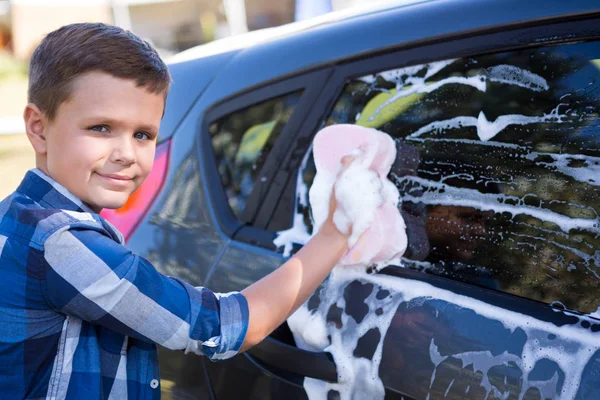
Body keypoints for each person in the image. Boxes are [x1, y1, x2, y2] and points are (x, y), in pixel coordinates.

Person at [0, 23, 351, 399]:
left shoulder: (18, 215)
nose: (126, 154)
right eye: (101, 128)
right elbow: (225, 326)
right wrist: (336, 233)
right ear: (38, 128)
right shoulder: (60, 243)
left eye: (143, 135)